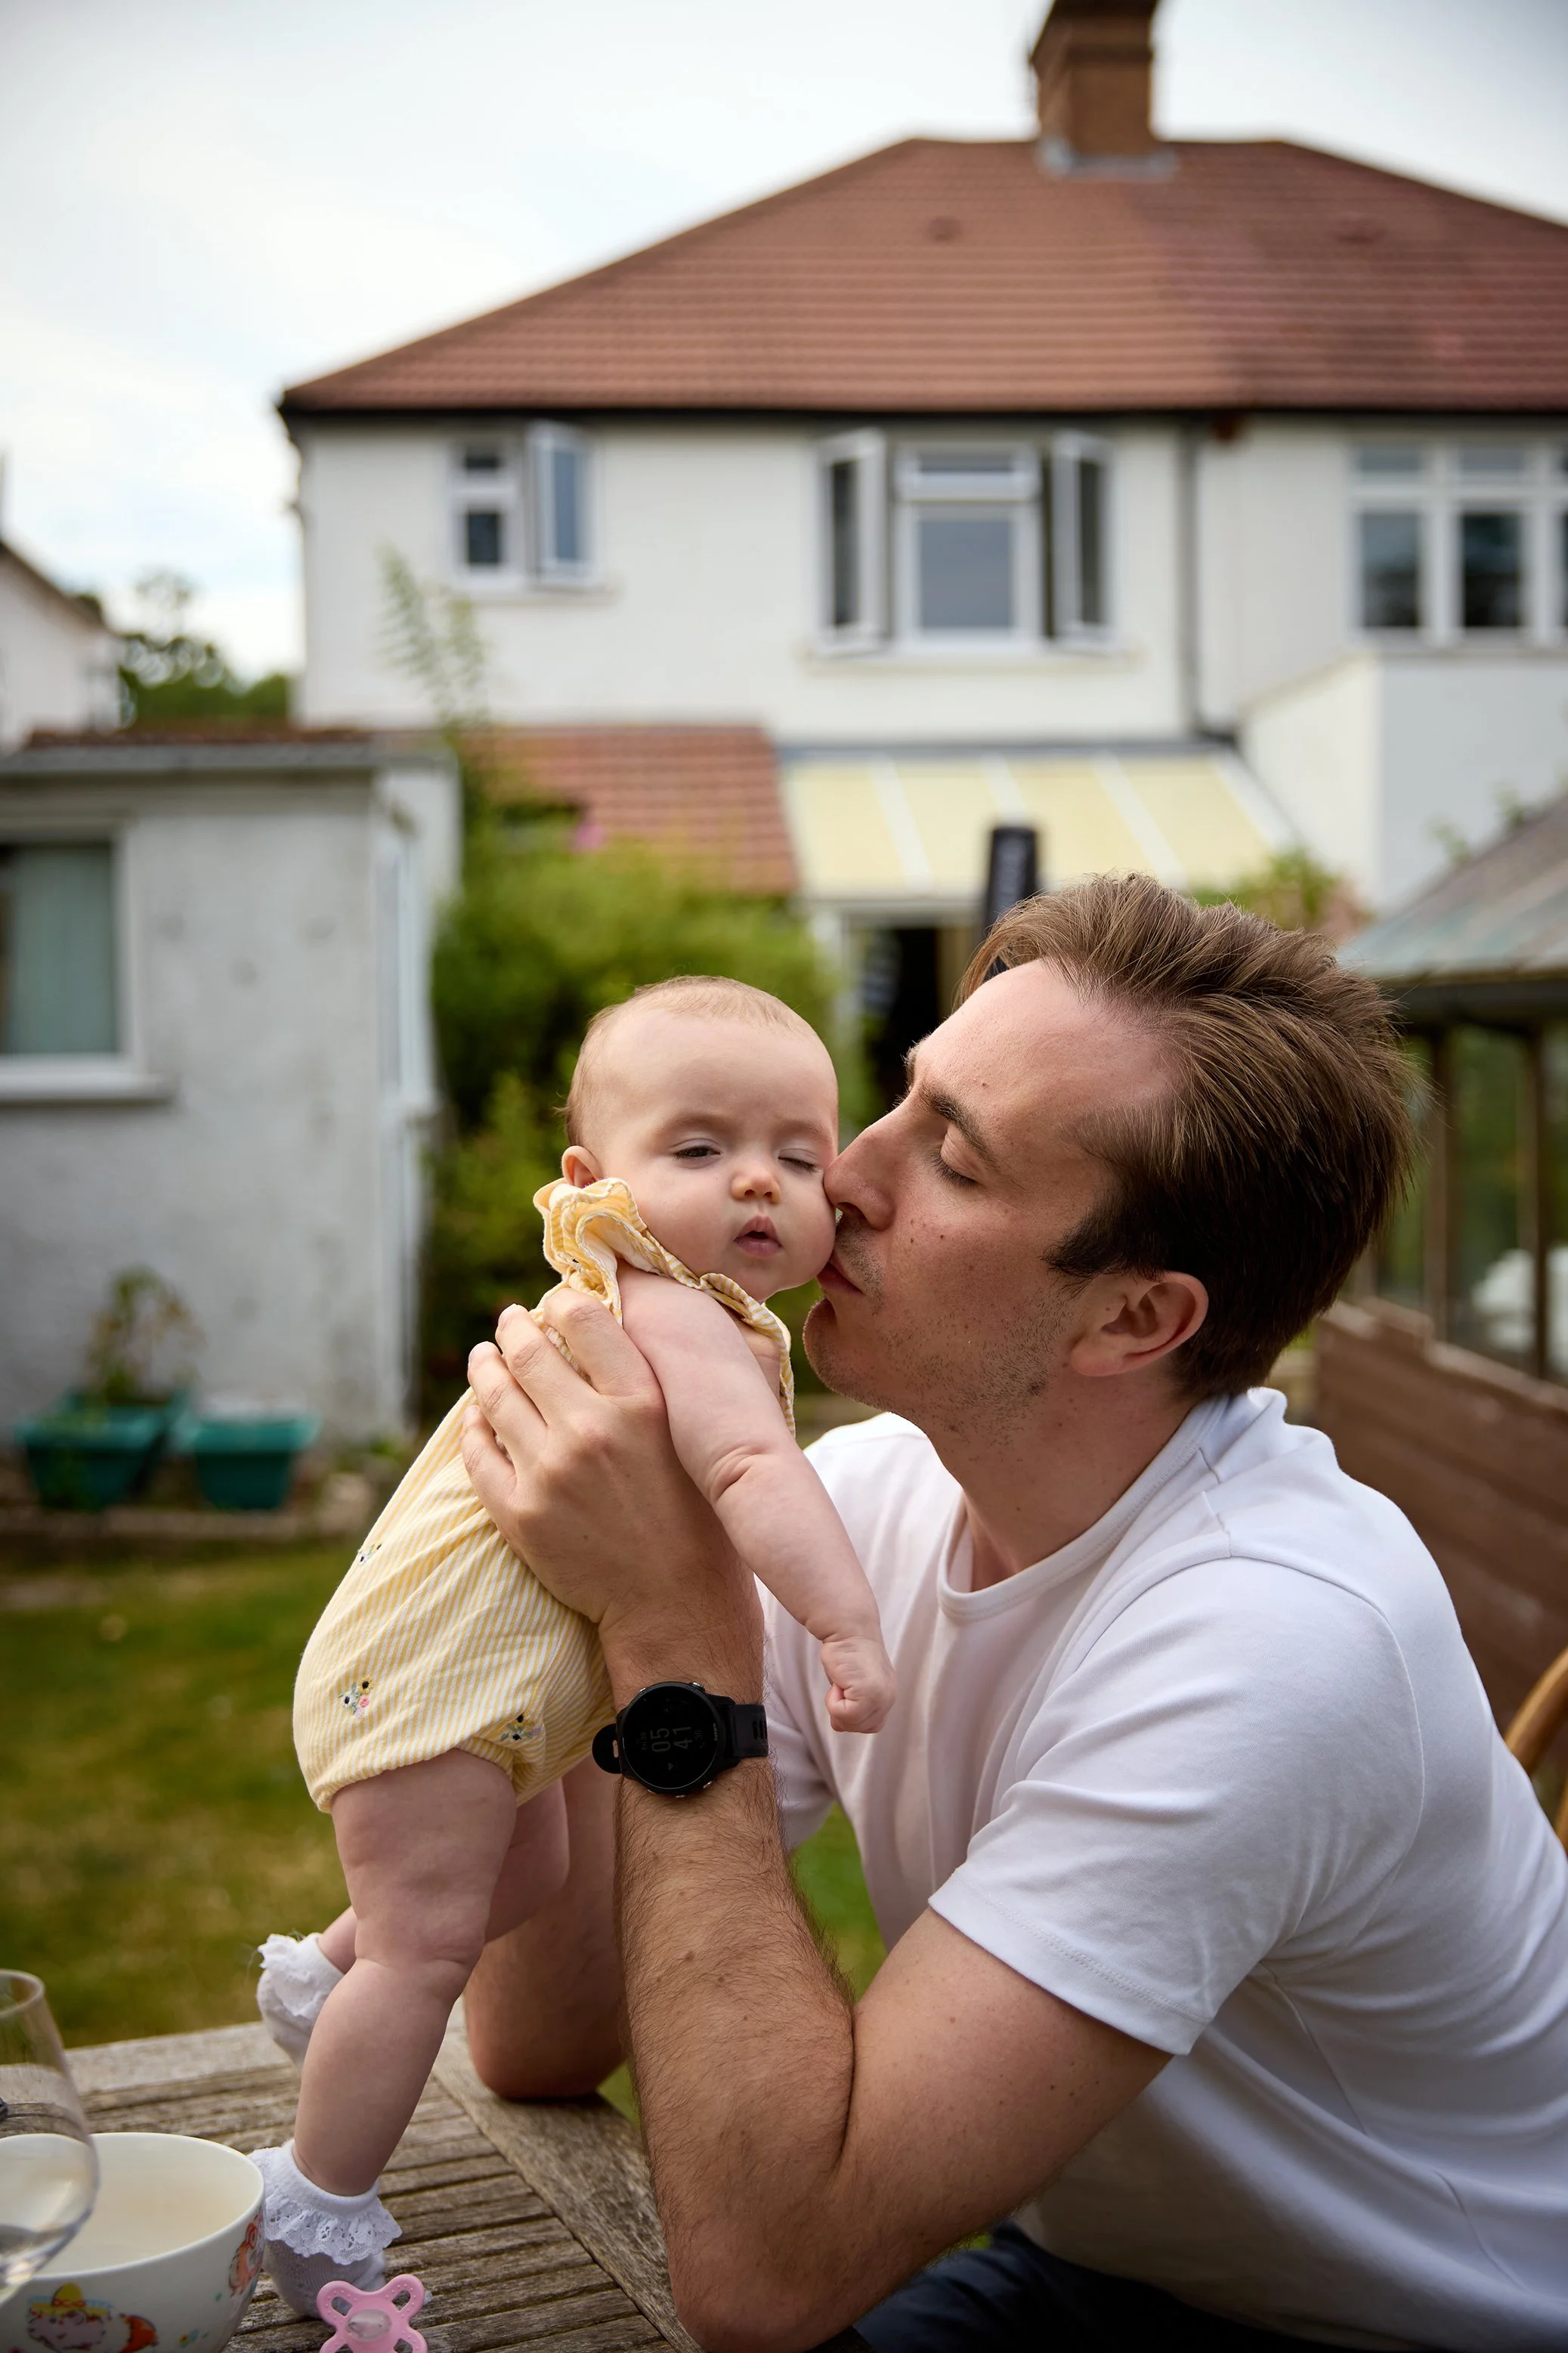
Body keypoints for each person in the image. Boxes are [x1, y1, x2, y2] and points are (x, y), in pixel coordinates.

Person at [458, 877, 1568, 2353]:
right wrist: (598, 1585)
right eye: (903, 1094)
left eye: (952, 1159)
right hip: (1088, 2270)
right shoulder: (856, 1499)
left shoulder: (1272, 1642)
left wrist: (672, 1632)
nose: (839, 1174)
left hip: (1414, 2325)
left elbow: (770, 2269)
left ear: (1132, 1318)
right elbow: (536, 2036)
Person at [248, 977, 895, 2316]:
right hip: (432, 1686)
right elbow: (756, 1474)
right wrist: (843, 1623)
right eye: (701, 1150)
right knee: (433, 1947)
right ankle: (315, 2201)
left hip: (475, 1694)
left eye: (800, 1153)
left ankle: (326, 1973)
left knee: (523, 1884)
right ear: (595, 1181)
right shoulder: (669, 1311)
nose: (761, 1186)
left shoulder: (682, 1307)